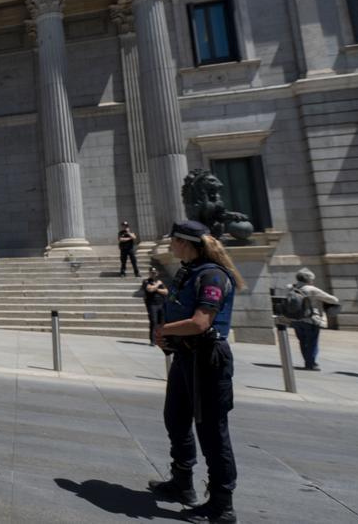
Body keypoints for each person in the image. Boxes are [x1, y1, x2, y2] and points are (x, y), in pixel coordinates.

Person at [150, 220, 243, 524]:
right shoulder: (188, 273)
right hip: (186, 357)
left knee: (212, 432)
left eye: (173, 241)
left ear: (187, 243)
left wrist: (163, 329)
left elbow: (201, 322)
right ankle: (182, 482)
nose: (170, 246)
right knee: (175, 418)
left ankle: (221, 504)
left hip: (207, 359)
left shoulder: (213, 275)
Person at [287, 268, 340, 371]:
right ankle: (311, 364)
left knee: (302, 342)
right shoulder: (311, 289)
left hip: (296, 319)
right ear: (309, 279)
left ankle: (308, 362)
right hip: (310, 319)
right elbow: (333, 299)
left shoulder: (292, 288)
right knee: (312, 342)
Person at [142, 266, 168, 347]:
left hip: (161, 303)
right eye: (152, 272)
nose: (153, 274)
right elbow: (149, 289)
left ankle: (162, 339)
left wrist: (156, 288)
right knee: (153, 321)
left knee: (162, 322)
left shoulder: (160, 282)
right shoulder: (146, 281)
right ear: (149, 273)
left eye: (155, 272)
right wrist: (157, 285)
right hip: (152, 304)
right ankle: (153, 340)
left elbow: (166, 292)